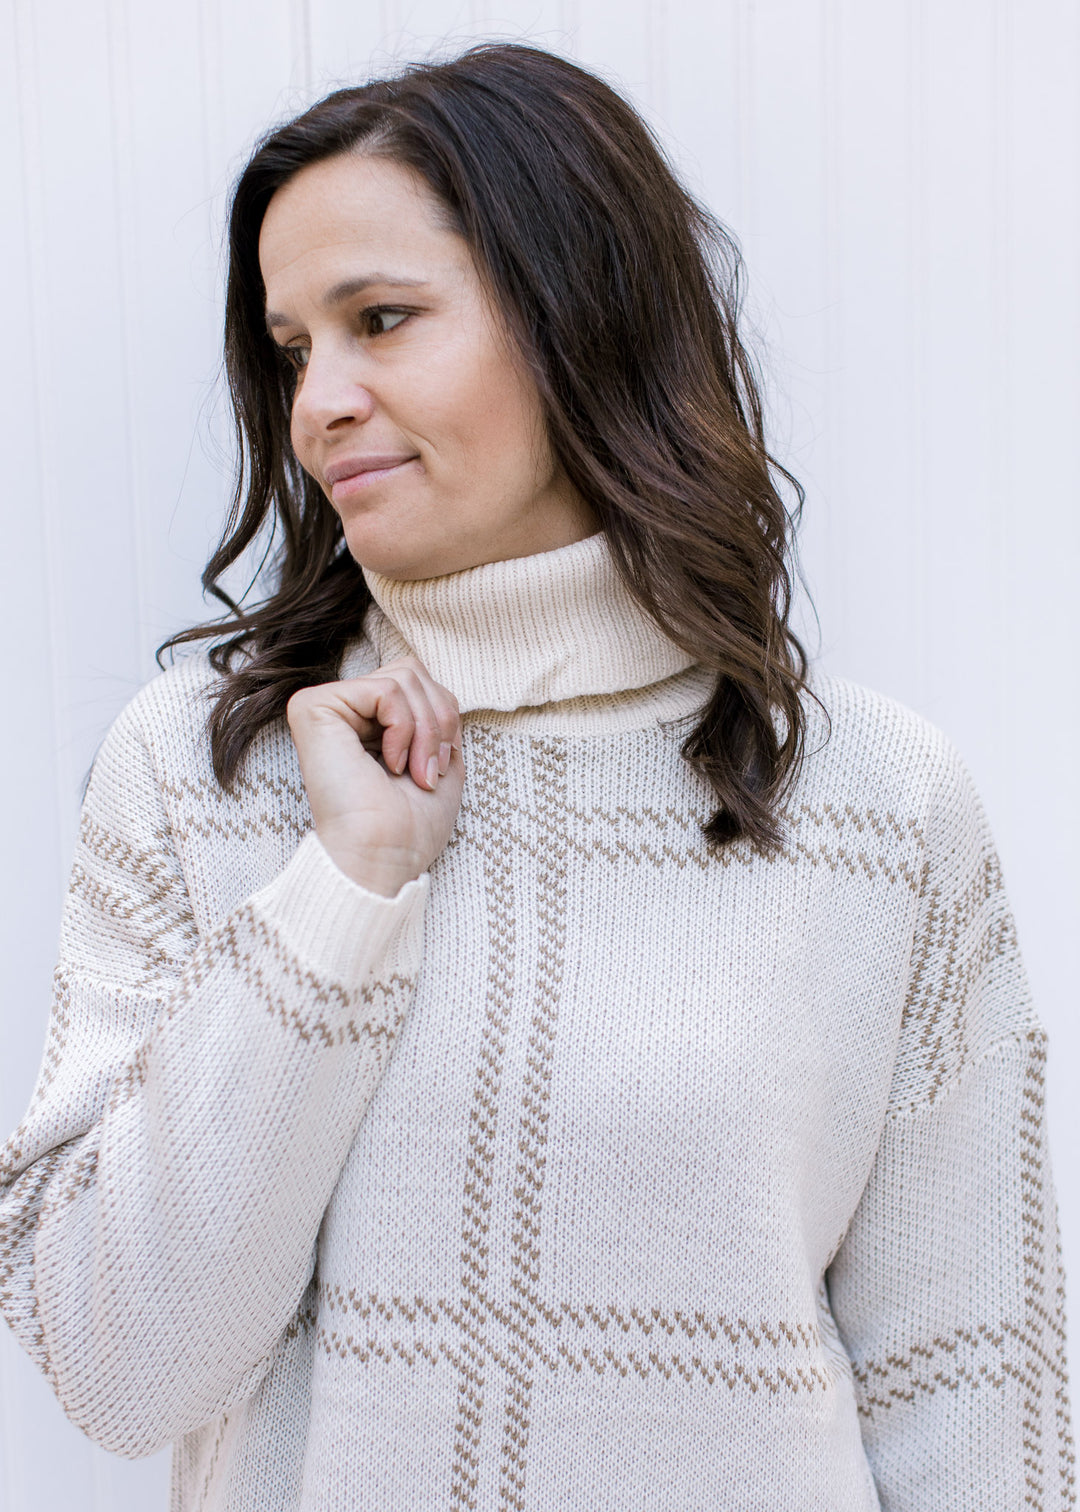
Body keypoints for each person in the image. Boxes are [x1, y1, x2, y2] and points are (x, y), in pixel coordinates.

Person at [0, 40, 1071, 1512]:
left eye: (382, 319)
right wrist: (346, 892)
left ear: (581, 319)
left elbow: (973, 1398)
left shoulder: (879, 803)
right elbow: (120, 1373)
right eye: (294, 348)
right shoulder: (205, 772)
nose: (318, 404)